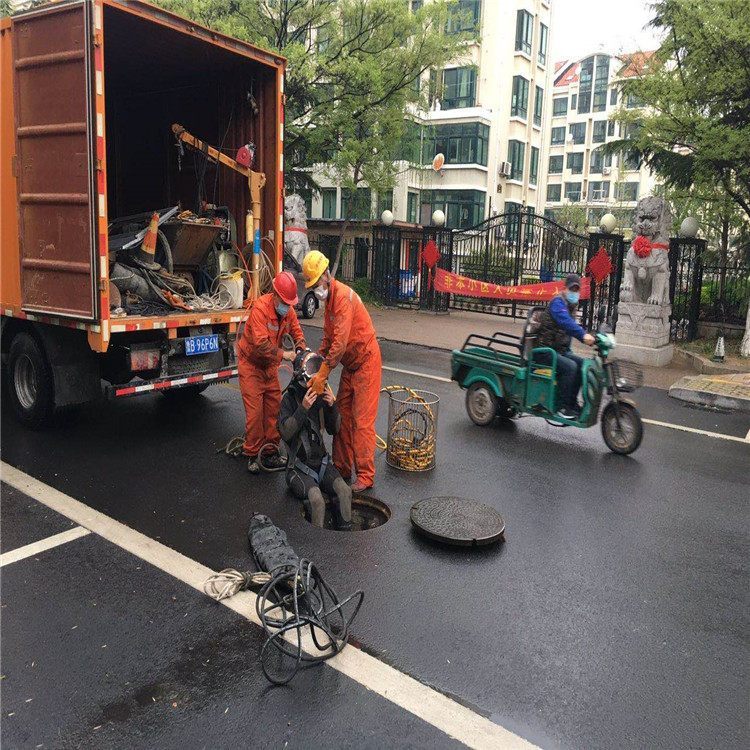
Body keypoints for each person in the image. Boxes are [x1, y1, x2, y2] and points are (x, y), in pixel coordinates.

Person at [301, 250, 381, 493]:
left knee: (362, 422)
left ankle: (366, 475)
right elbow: (328, 341)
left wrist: (323, 373)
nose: (316, 289)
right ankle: (343, 468)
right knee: (342, 416)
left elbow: (340, 344)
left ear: (327, 274)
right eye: (312, 285)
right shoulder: (330, 305)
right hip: (351, 366)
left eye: (317, 283)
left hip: (366, 362)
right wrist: (314, 363)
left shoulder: (344, 298)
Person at [237, 271, 306, 473]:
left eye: (289, 302)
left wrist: (301, 350)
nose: (287, 306)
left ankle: (270, 452)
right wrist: (285, 354)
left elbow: (297, 332)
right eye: (284, 301)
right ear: (275, 294)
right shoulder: (260, 309)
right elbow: (260, 345)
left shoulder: (288, 311)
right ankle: (251, 454)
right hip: (252, 365)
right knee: (255, 414)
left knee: (274, 411)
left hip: (269, 367)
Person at [278, 350, 352, 530]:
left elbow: (334, 429)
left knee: (344, 491)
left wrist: (332, 406)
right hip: (298, 467)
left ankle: (345, 537)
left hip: (322, 463)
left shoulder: (320, 396)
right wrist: (303, 408)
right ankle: (316, 544)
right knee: (317, 502)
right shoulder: (289, 399)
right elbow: (286, 433)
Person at [536, 273, 595, 418]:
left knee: (582, 365)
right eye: (572, 289)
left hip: (559, 350)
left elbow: (573, 325)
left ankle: (571, 403)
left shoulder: (571, 305)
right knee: (570, 367)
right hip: (544, 351)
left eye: (577, 289)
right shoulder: (558, 302)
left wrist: (594, 335)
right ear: (565, 288)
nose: (574, 292)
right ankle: (563, 407)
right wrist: (582, 335)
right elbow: (566, 323)